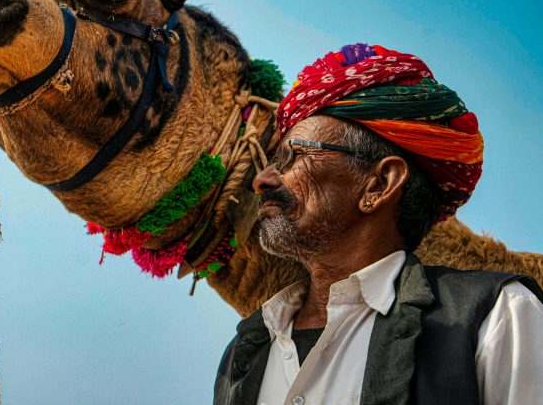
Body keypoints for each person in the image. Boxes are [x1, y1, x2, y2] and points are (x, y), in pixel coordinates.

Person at [213, 43, 543, 405]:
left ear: (379, 184)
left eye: (295, 157)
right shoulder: (244, 354)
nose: (264, 179)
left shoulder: (496, 317)